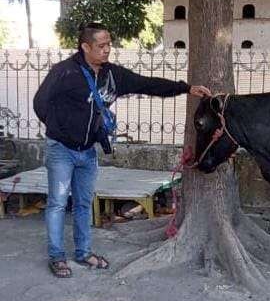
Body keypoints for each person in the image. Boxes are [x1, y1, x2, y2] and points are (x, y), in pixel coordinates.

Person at [32, 23, 211, 278]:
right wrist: (60, 129)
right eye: (101, 46)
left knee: (83, 203)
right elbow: (40, 103)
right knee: (58, 203)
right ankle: (57, 257)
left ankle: (83, 252)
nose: (107, 50)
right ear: (85, 47)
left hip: (88, 151)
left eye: (109, 44)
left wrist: (185, 88)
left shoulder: (112, 76)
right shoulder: (64, 72)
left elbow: (147, 84)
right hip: (61, 149)